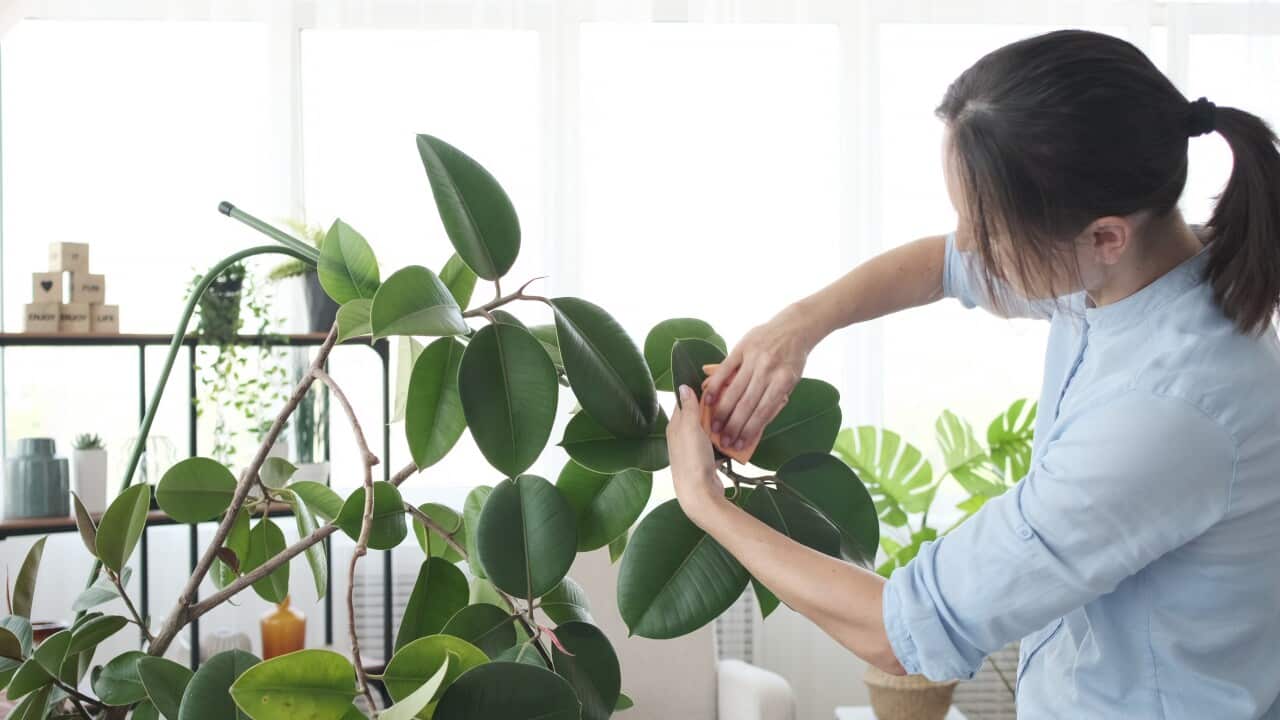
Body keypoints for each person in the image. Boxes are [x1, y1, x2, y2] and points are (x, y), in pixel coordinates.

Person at [665, 28, 1280, 718]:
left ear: (1106, 236)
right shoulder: (1132, 271)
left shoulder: (1169, 410)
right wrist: (799, 327)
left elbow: (901, 632)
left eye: (986, 228)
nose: (966, 241)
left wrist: (704, 501)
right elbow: (942, 266)